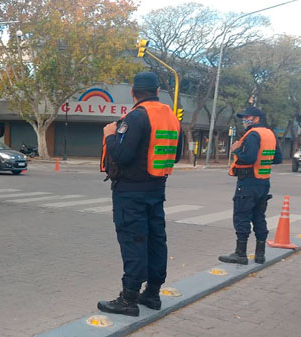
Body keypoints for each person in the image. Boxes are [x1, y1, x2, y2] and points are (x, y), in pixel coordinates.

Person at [98, 72, 183, 317]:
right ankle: (152, 293)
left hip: (131, 192)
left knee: (134, 241)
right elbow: (175, 156)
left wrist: (110, 136)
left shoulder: (135, 117)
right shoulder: (171, 118)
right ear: (157, 92)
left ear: (134, 92)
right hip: (157, 188)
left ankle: (128, 299)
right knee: (156, 240)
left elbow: (122, 156)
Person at [219, 106, 282, 265]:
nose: (244, 120)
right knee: (259, 216)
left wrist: (236, 150)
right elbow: (277, 158)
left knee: (242, 215)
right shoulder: (270, 134)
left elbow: (249, 158)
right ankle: (260, 254)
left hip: (248, 182)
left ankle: (240, 254)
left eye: (247, 117)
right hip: (263, 182)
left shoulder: (253, 135)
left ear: (256, 119)